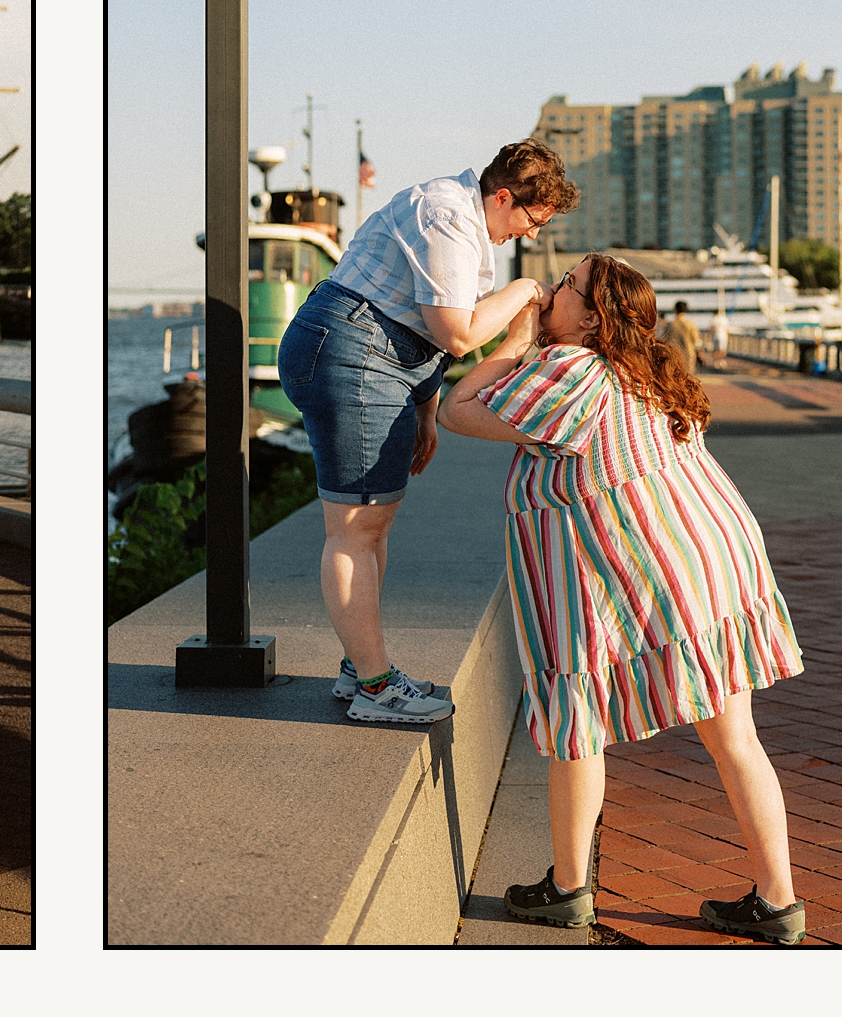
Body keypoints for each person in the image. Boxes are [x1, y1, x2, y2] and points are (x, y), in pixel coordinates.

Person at [440, 253, 807, 944]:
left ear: (589, 318)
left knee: (575, 710)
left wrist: (515, 340)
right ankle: (777, 898)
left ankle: (569, 886)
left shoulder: (567, 372)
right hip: (717, 557)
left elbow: (456, 409)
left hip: (647, 564)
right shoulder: (647, 370)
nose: (552, 290)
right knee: (735, 738)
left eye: (567, 285)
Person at [278, 139, 579, 726]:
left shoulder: (466, 223)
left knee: (372, 525)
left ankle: (360, 666)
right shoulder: (445, 214)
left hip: (378, 357)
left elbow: (419, 318)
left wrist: (424, 404)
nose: (532, 235)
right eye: (533, 220)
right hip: (350, 353)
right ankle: (373, 687)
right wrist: (522, 291)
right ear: (503, 197)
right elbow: (458, 334)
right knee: (355, 527)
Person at [663, 299, 701, 375]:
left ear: (675, 310)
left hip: (674, 354)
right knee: (688, 376)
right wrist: (699, 353)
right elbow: (697, 341)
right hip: (688, 354)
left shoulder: (671, 324)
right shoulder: (690, 324)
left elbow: (664, 339)